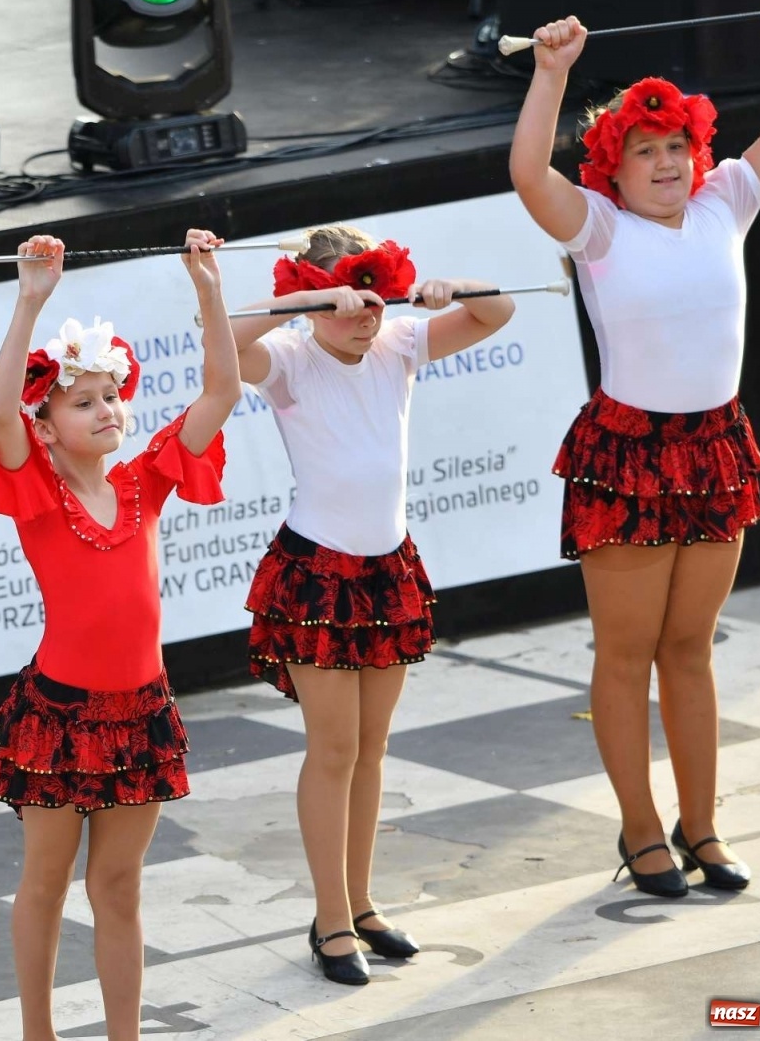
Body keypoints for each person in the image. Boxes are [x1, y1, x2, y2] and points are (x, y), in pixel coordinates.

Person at [508, 0, 760, 896]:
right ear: (615, 164)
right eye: (643, 151)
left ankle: (704, 826)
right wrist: (551, 73)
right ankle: (641, 832)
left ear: (697, 152)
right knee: (626, 651)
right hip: (629, 456)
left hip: (716, 444)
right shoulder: (598, 226)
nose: (665, 163)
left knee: (691, 647)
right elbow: (530, 173)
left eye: (675, 146)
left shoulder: (727, 199)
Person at [235, 226, 514, 982]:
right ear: (313, 299)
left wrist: (451, 290)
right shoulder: (291, 361)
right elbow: (226, 344)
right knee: (331, 750)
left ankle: (360, 904)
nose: (362, 313)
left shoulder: (398, 345)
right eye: (344, 298)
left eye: (371, 294)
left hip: (386, 569)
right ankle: (329, 922)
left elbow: (501, 313)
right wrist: (305, 299)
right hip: (317, 573)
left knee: (371, 748)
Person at [0, 230, 239, 1041]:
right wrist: (30, 301)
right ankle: (39, 1034)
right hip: (58, 714)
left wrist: (208, 290)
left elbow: (223, 394)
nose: (106, 409)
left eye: (111, 396)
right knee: (47, 883)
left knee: (119, 887)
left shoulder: (144, 483)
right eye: (82, 400)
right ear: (47, 426)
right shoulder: (37, 492)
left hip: (141, 712)